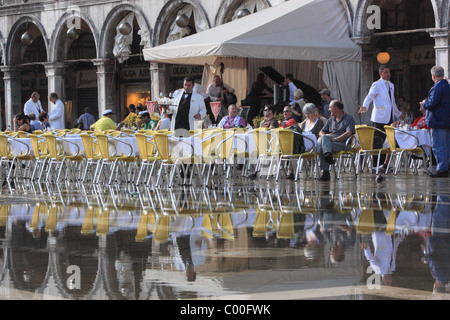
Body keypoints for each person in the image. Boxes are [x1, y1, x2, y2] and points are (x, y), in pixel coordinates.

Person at [359, 65, 402, 173]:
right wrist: (365, 106)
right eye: (386, 72)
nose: (388, 74)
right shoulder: (377, 84)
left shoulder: (391, 85)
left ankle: (385, 164)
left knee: (389, 141)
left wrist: (398, 113)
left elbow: (392, 102)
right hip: (379, 117)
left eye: (389, 72)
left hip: (389, 117)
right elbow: (370, 97)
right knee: (378, 142)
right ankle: (375, 165)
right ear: (381, 73)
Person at [421, 65, 450, 178]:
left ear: (433, 76)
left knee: (438, 146)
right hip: (446, 120)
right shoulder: (447, 86)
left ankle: (442, 168)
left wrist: (424, 103)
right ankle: (445, 166)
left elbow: (432, 103)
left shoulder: (437, 87)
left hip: (438, 121)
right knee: (446, 145)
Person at [317, 100, 356, 181]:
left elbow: (349, 133)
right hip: (330, 143)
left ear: (337, 108)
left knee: (323, 147)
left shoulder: (349, 119)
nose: (328, 109)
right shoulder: (331, 120)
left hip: (343, 144)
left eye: (330, 107)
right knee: (324, 139)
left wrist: (336, 139)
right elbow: (321, 132)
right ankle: (328, 155)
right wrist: (325, 135)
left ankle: (326, 172)